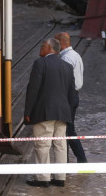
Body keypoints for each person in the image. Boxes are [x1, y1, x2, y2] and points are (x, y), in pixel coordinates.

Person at [24, 38, 77, 188]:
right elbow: (72, 94)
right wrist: (69, 112)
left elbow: (33, 89)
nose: (40, 49)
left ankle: (43, 178)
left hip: (44, 111)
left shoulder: (40, 63)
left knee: (43, 144)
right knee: (60, 144)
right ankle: (60, 177)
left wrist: (28, 111)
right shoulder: (67, 66)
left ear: (49, 48)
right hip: (63, 112)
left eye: (42, 46)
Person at [55, 32, 88, 164]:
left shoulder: (65, 59)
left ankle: (79, 159)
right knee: (68, 130)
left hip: (67, 97)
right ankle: (75, 160)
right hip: (73, 95)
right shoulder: (75, 55)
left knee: (67, 130)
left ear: (61, 43)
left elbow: (62, 81)